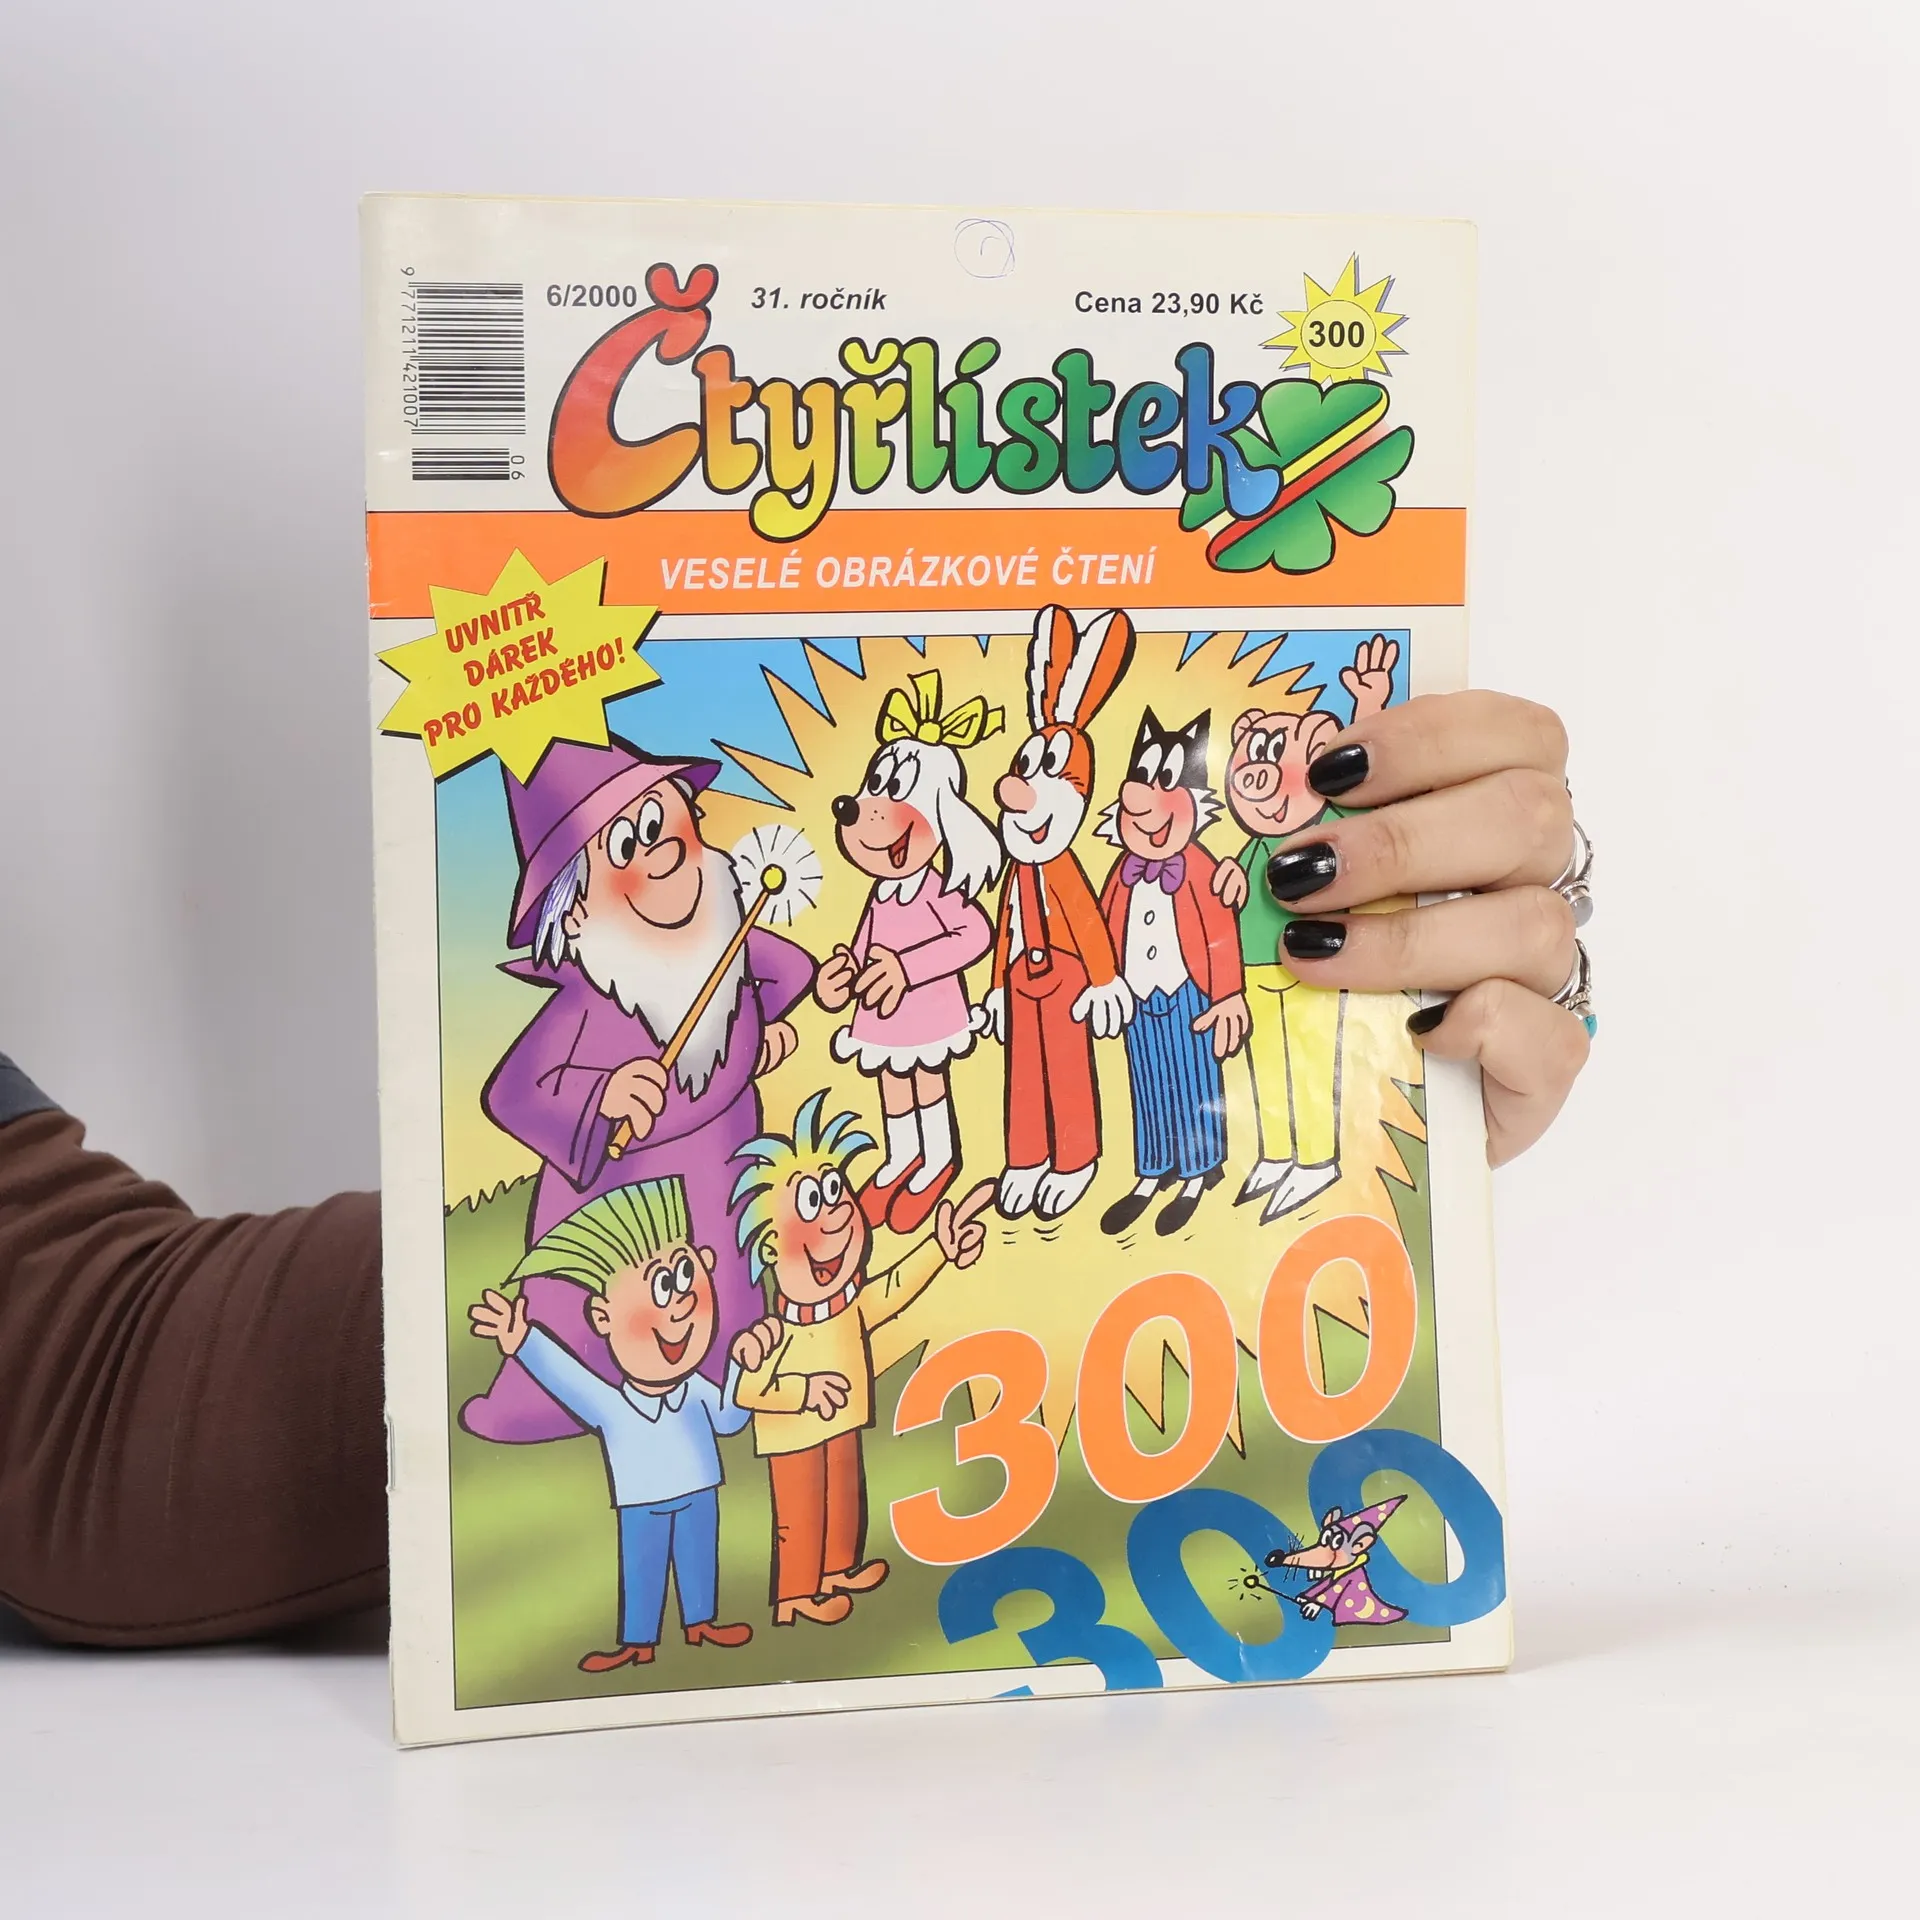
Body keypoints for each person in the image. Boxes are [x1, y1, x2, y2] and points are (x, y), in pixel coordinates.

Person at [0, 689, 1590, 1648]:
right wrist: (601, 1121)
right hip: (628, 1261)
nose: (667, 854)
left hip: (764, 1256)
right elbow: (87, 1401)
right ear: (570, 908)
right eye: (628, 844)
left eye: (667, 824)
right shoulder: (576, 1019)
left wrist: (1386, 1058)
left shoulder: (734, 953)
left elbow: (89, 1357)